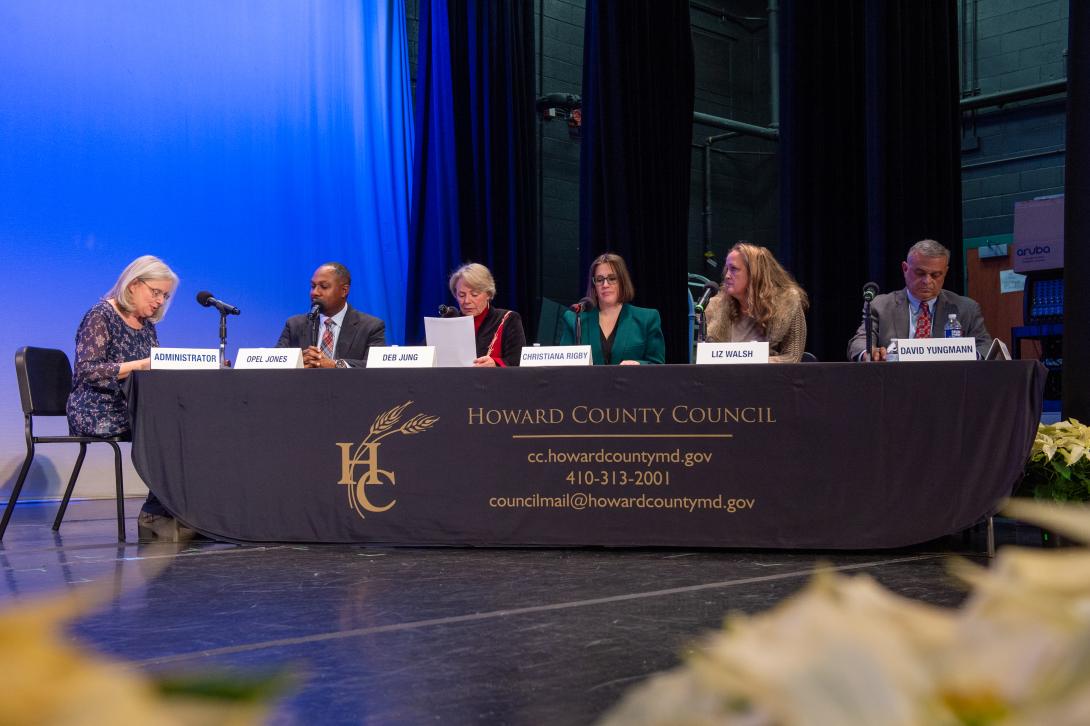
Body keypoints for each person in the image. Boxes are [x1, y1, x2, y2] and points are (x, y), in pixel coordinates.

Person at [65, 255, 185, 540]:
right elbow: (87, 371)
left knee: (186, 424)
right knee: (164, 428)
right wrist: (140, 365)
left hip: (131, 405)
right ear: (133, 285)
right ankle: (154, 515)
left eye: (165, 296)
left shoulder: (147, 325)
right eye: (155, 292)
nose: (159, 301)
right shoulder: (101, 315)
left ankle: (176, 511)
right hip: (96, 407)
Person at [847, 239, 992, 361]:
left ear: (945, 272)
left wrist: (968, 356)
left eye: (935, 275)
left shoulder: (966, 308)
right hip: (896, 383)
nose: (927, 281)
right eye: (920, 273)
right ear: (905, 268)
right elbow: (859, 343)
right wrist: (869, 352)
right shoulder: (880, 306)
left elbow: (985, 346)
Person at [703, 243, 809, 363]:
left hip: (771, 379)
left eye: (734, 269)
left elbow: (792, 357)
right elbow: (706, 360)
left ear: (754, 273)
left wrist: (752, 362)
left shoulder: (787, 303)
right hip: (725, 379)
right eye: (727, 269)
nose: (727, 276)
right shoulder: (715, 308)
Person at [558, 252, 665, 365]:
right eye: (599, 280)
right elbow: (564, 366)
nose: (605, 285)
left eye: (612, 278)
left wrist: (638, 365)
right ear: (594, 285)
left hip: (632, 382)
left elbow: (658, 365)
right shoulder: (575, 319)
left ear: (622, 282)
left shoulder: (647, 319)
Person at [277, 262, 386, 368]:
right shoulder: (294, 325)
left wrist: (336, 365)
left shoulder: (371, 327)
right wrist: (297, 362)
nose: (315, 292)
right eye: (313, 286)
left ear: (344, 290)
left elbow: (374, 366)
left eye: (323, 287)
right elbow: (274, 362)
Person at [447, 263, 526, 367]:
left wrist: (496, 363)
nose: (466, 301)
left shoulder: (507, 319)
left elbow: (517, 361)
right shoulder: (449, 321)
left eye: (474, 294)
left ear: (488, 294)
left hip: (494, 381)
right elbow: (425, 355)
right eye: (461, 295)